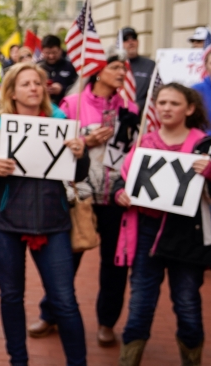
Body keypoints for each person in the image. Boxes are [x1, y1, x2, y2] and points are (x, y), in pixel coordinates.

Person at [0, 62, 90, 366]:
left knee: (64, 301)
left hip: (53, 221)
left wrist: (81, 153)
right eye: (25, 84)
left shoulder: (62, 125)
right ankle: (18, 361)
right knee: (11, 296)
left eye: (38, 82)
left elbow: (78, 174)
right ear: (12, 92)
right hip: (5, 222)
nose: (34, 88)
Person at [29, 48, 139, 347]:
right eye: (116, 67)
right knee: (66, 260)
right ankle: (50, 313)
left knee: (115, 265)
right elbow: (55, 147)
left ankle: (106, 322)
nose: (121, 73)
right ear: (98, 70)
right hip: (80, 195)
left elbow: (138, 150)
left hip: (117, 198)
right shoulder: (72, 103)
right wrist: (86, 141)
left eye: (124, 68)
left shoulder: (130, 108)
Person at [115, 83, 211, 366]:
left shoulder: (205, 145)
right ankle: (128, 359)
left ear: (190, 108)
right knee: (140, 303)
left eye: (174, 103)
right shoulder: (144, 143)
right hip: (147, 231)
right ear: (155, 107)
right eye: (162, 103)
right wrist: (120, 193)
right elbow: (124, 181)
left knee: (187, 304)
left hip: (187, 236)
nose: (167, 108)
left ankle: (192, 358)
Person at [121, 27, 155, 114]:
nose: (131, 42)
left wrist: (139, 104)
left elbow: (155, 92)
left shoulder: (150, 65)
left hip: (141, 117)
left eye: (134, 38)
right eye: (125, 39)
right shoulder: (115, 65)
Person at [38, 34, 78, 106]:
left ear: (60, 50)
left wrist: (62, 89)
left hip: (64, 106)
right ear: (42, 51)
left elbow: (77, 87)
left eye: (54, 53)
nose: (51, 56)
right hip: (42, 106)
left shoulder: (70, 67)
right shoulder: (37, 67)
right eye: (47, 53)